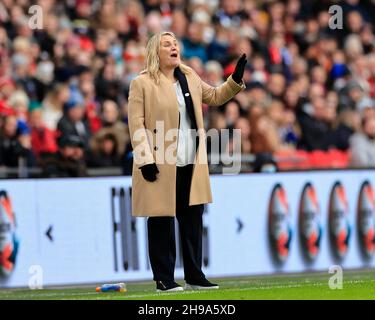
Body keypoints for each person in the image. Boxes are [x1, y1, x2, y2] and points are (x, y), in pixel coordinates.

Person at [128, 31, 246, 292]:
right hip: (160, 163)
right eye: (167, 45)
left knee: (192, 220)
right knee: (161, 221)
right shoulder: (142, 83)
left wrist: (235, 79)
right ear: (154, 52)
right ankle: (164, 279)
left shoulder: (189, 76)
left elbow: (215, 97)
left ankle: (194, 275)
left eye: (175, 44)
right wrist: (145, 159)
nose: (174, 48)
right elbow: (136, 124)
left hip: (189, 161)